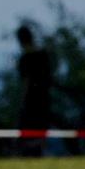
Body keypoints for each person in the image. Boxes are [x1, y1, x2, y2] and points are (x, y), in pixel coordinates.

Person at [16, 25, 53, 156]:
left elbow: (26, 82)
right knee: (41, 131)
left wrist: (22, 101)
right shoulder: (44, 55)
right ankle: (39, 152)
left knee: (28, 132)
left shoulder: (25, 59)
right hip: (44, 99)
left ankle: (30, 153)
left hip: (31, 101)